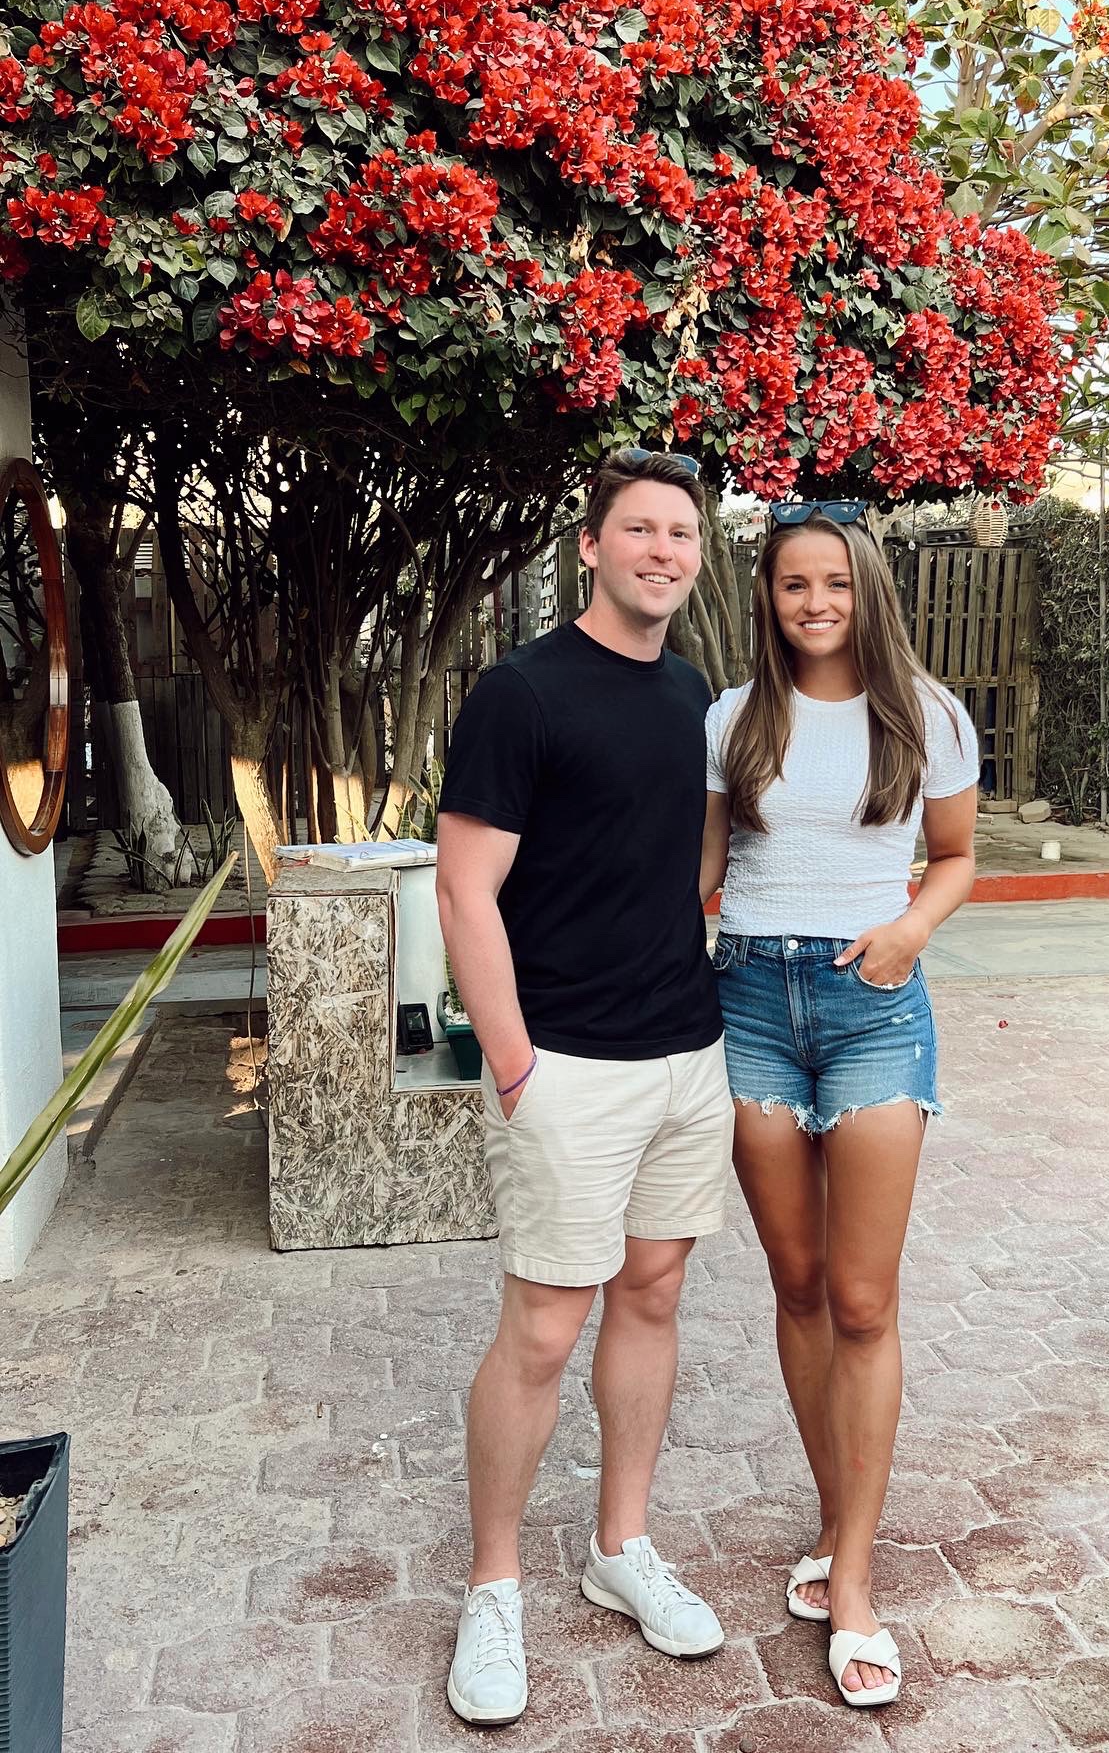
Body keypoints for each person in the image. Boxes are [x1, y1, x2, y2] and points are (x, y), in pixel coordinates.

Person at [435, 449, 732, 1727]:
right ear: (593, 546)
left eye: (682, 532)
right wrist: (513, 1063)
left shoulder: (696, 696)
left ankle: (620, 1548)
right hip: (567, 1066)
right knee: (545, 1328)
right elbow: (464, 889)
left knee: (653, 1295)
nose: (663, 550)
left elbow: (695, 861)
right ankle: (493, 1587)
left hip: (687, 1052)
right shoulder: (521, 693)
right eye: (640, 529)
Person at [699, 503, 979, 1710]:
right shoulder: (732, 717)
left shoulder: (926, 714)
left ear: (867, 588)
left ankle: (854, 1578)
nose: (814, 604)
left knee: (864, 1298)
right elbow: (699, 871)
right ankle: (835, 1521)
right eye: (793, 585)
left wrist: (910, 927)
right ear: (768, 596)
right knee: (799, 1284)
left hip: (874, 1005)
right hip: (752, 1002)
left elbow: (960, 857)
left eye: (835, 584)